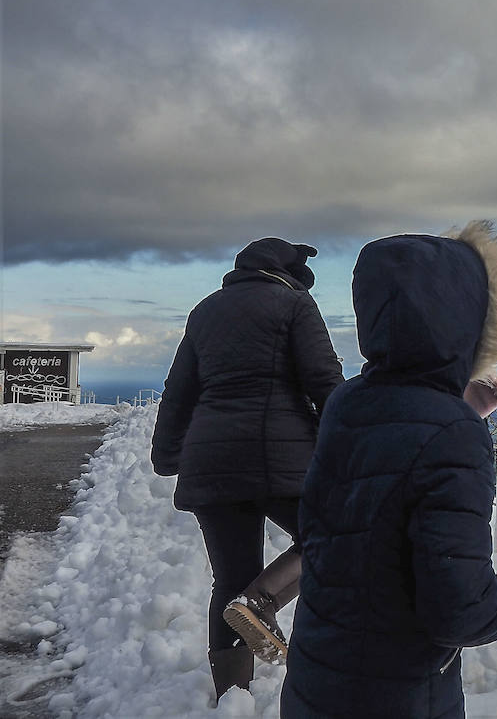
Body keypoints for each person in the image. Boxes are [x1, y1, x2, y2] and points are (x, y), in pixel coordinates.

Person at [281, 222, 497, 719]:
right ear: (469, 318)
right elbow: (460, 612)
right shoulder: (452, 434)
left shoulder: (347, 404)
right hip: (396, 696)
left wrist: (459, 408)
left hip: (318, 681)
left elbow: (383, 488)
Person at [152, 238, 343, 703]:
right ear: (290, 274)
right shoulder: (295, 304)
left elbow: (179, 392)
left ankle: (232, 698)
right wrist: (352, 441)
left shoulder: (205, 312)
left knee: (230, 579)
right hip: (283, 459)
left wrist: (167, 453)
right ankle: (262, 602)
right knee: (335, 535)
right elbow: (323, 378)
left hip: (211, 463)